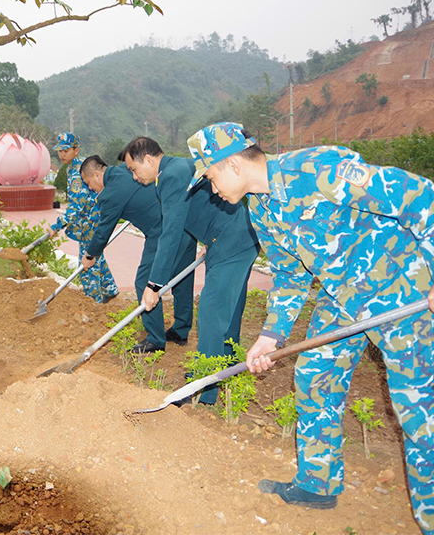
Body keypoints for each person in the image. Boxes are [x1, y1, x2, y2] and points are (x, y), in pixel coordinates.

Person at [186, 121, 434, 534]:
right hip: (343, 301)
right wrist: (270, 337)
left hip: (402, 294)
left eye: (210, 177)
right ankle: (318, 484)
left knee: (420, 415)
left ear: (231, 164)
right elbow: (290, 277)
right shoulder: (260, 209)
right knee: (316, 376)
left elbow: (420, 197)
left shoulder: (318, 169)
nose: (212, 189)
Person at [122, 136, 259, 404]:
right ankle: (226, 367)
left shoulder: (172, 177)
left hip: (231, 242)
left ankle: (203, 389)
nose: (135, 177)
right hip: (232, 238)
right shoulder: (177, 170)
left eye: (134, 170)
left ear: (148, 160)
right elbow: (189, 219)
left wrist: (154, 285)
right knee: (227, 310)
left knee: (211, 311)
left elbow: (171, 232)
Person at [80, 155, 196, 352]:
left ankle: (156, 340)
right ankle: (181, 330)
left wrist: (90, 255)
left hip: (162, 234)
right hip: (186, 227)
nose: (90, 188)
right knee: (181, 279)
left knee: (145, 283)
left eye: (89, 183)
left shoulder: (110, 195)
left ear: (97, 174)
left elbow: (103, 231)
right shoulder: (127, 171)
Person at [47, 132, 118, 304]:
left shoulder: (79, 171)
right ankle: (109, 289)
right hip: (91, 221)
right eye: (60, 151)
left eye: (66, 150)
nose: (62, 154)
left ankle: (92, 301)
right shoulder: (74, 167)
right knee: (96, 254)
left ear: (76, 150)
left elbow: (76, 207)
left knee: (87, 260)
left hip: (89, 222)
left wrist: (57, 226)